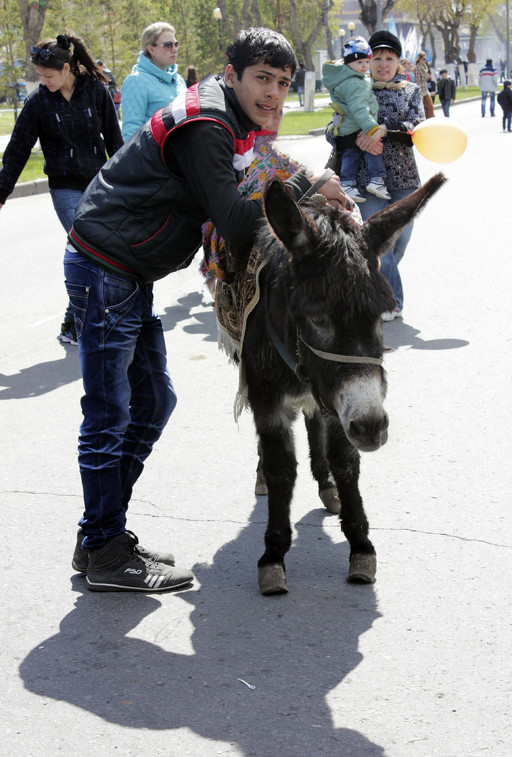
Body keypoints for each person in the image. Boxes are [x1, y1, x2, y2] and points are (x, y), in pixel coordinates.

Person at [64, 27, 347, 593]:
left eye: (283, 83)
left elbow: (266, 164)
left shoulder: (232, 122)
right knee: (110, 414)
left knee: (152, 402)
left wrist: (315, 178)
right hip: (106, 266)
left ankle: (101, 535)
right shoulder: (209, 125)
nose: (272, 93)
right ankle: (102, 549)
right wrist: (311, 199)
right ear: (232, 73)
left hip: (123, 268)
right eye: (262, 79)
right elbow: (241, 225)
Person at [0, 33, 123, 345]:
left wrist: (126, 182)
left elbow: (114, 139)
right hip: (64, 187)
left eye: (48, 75)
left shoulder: (95, 90)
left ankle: (76, 320)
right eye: (39, 76)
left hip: (99, 183)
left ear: (67, 68)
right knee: (85, 247)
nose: (44, 81)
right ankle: (79, 322)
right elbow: (17, 152)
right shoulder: (38, 103)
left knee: (100, 251)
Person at [351, 30, 425, 319]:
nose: (383, 64)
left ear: (398, 62)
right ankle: (390, 301)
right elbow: (333, 130)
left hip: (404, 180)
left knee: (399, 243)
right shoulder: (355, 89)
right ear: (369, 61)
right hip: (365, 179)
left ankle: (379, 284)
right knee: (379, 242)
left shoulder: (410, 91)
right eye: (377, 58)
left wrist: (385, 129)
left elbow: (417, 127)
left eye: (389, 58)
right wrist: (355, 138)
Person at [322, 36, 390, 202]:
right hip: (358, 126)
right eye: (359, 63)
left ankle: (346, 183)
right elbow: (359, 108)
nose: (364, 67)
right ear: (348, 64)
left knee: (350, 155)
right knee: (372, 149)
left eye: (367, 62)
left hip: (348, 127)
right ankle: (377, 179)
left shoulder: (349, 79)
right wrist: (371, 128)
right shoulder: (355, 83)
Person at [120, 21, 187, 140]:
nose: (174, 49)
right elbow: (132, 132)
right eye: (168, 45)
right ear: (151, 49)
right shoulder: (136, 81)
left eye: (176, 44)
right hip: (155, 156)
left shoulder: (179, 80)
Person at [414, 50, 434, 118]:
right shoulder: (417, 67)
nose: (425, 60)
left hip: (425, 89)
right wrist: (419, 92)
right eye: (423, 59)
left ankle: (430, 119)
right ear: (419, 59)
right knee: (422, 107)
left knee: (430, 106)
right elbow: (418, 81)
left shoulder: (424, 66)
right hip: (421, 90)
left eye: (425, 59)